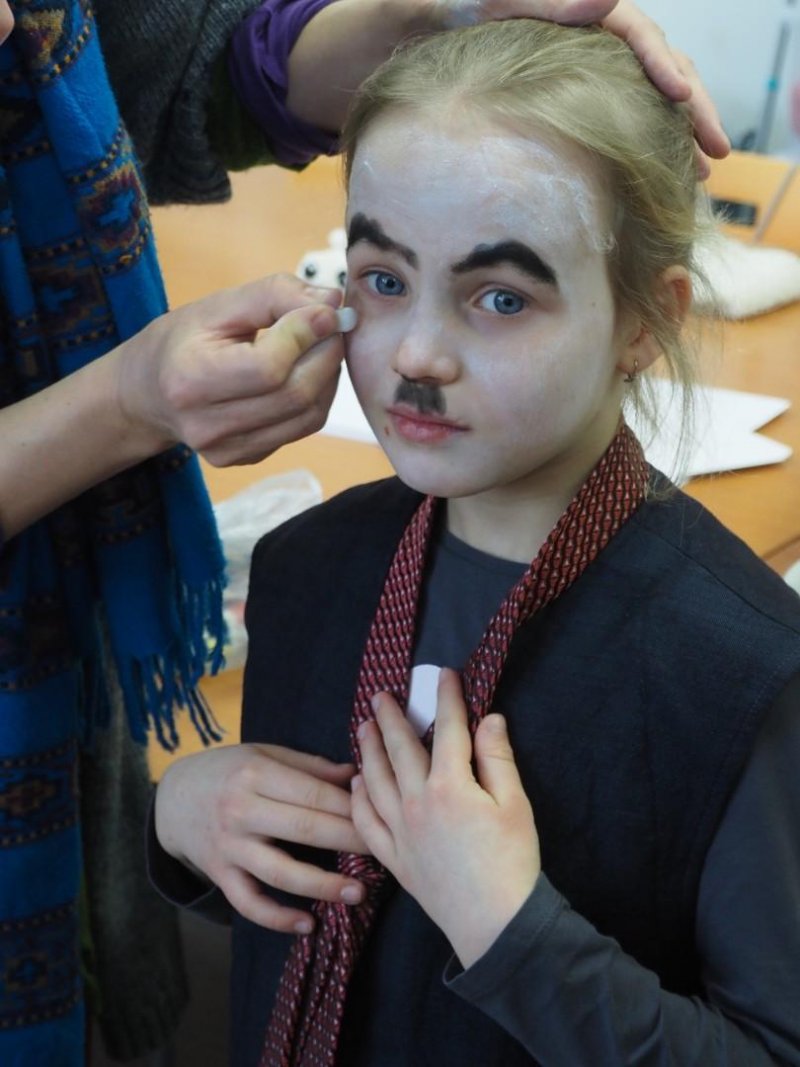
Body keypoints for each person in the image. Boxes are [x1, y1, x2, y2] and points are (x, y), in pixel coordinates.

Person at [0, 0, 728, 1063]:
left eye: (501, 297)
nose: (417, 353)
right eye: (382, 280)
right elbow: (302, 914)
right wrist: (180, 816)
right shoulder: (310, 572)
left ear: (644, 320)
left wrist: (512, 931)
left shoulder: (736, 674)